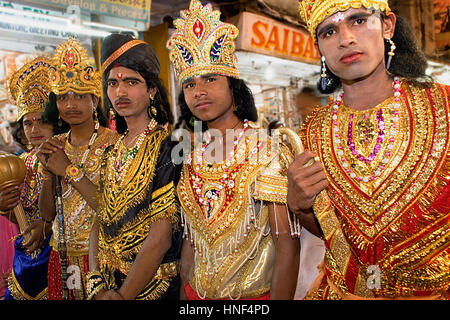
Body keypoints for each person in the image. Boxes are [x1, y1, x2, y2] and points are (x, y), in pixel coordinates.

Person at [288, 0, 449, 299]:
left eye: (359, 20)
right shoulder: (312, 132)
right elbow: (332, 233)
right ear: (320, 48)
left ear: (387, 25)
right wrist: (300, 207)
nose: (345, 38)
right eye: (329, 31)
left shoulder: (444, 107)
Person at [167, 0, 300, 300]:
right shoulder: (190, 158)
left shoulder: (269, 150)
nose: (198, 91)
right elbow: (191, 245)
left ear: (233, 85)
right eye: (189, 85)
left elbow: (287, 250)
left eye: (210, 79)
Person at [86, 33, 181, 300]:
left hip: (152, 287)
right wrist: (96, 283)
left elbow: (160, 238)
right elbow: (99, 219)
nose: (120, 92)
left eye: (132, 82)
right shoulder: (112, 149)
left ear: (151, 90)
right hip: (107, 283)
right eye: (113, 83)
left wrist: (122, 296)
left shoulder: (170, 149)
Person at [37, 38, 118, 300]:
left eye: (79, 96)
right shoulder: (54, 146)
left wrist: (69, 169)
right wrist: (50, 174)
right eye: (63, 98)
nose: (70, 105)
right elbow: (47, 214)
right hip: (60, 255)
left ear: (95, 100)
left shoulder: (114, 145)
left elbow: (111, 210)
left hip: (100, 257)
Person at [1, 56, 57, 300]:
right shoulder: (21, 164)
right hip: (28, 258)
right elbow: (20, 213)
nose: (34, 129)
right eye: (28, 123)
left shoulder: (68, 156)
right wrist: (4, 208)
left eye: (41, 121)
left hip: (59, 253)